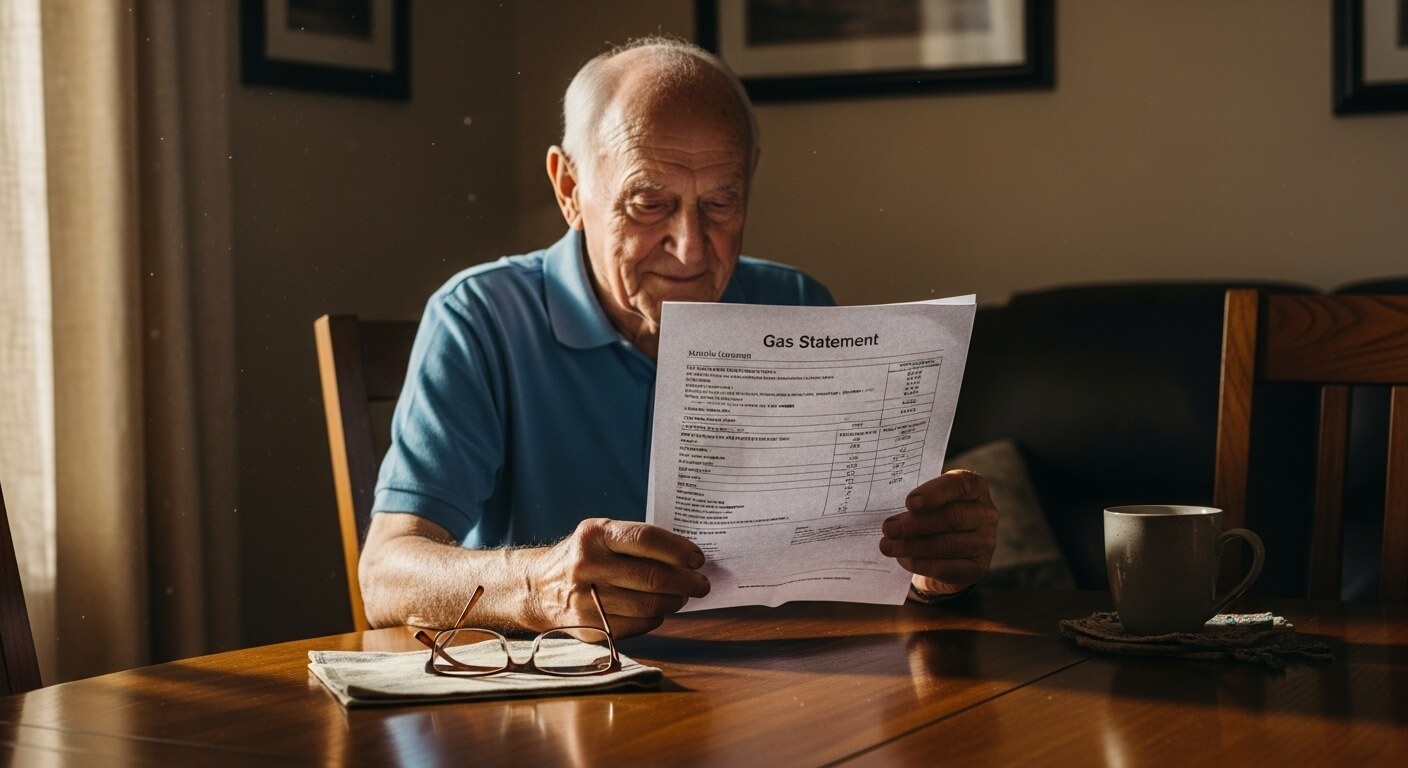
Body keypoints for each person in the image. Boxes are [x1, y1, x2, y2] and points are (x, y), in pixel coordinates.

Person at [359, 36, 999, 637]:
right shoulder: (481, 316)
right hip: (562, 698)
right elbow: (385, 573)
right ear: (570, 189)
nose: (691, 249)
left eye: (721, 204)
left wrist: (933, 572)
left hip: (776, 695)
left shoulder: (797, 305)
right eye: (649, 203)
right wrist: (539, 584)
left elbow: (864, 569)